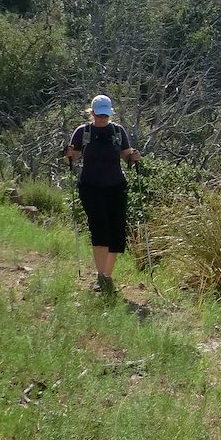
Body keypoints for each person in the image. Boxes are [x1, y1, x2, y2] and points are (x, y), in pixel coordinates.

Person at [63, 94, 141, 293]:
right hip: (91, 187)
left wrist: (134, 158)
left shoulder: (118, 131)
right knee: (100, 230)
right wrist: (68, 155)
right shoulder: (83, 132)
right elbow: (72, 157)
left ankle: (107, 276)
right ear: (92, 112)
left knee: (117, 232)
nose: (102, 119)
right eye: (99, 115)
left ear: (110, 113)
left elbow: (126, 156)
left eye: (105, 115)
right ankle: (101, 277)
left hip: (116, 186)